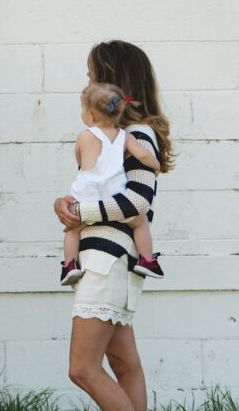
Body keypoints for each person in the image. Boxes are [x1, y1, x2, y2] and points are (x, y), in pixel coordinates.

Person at [53, 40, 176, 411]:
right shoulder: (110, 138)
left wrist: (81, 213)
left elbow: (138, 202)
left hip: (106, 262)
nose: (87, 79)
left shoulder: (135, 134)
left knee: (83, 368)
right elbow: (93, 191)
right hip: (110, 261)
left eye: (92, 73)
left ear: (110, 81)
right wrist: (64, 205)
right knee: (125, 366)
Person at [60, 82, 164, 286]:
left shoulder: (84, 136)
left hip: (86, 199)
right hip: (113, 198)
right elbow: (143, 154)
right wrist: (156, 165)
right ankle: (147, 260)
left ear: (90, 115)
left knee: (72, 230)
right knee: (140, 221)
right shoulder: (126, 136)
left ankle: (69, 265)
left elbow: (80, 162)